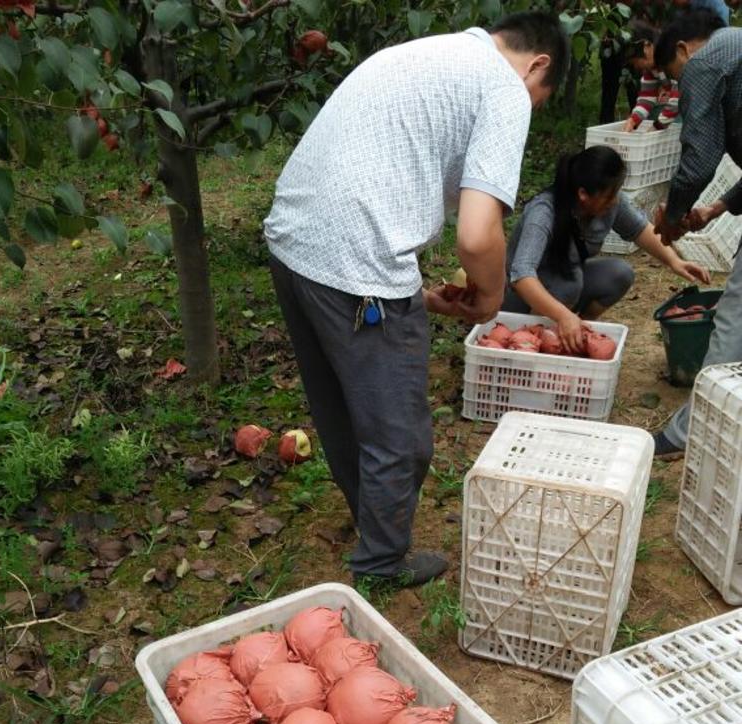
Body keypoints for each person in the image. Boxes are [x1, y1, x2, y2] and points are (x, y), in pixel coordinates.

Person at [264, 14, 570, 587]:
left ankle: (373, 523)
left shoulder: (430, 55)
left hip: (293, 242)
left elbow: (383, 169)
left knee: (340, 411)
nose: (528, 108)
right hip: (355, 263)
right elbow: (478, 235)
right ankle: (381, 563)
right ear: (538, 65)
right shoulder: (503, 86)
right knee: (399, 436)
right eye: (539, 100)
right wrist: (492, 294)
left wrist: (418, 296)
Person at [503, 146, 710, 352]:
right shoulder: (543, 213)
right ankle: (537, 340)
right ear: (583, 194)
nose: (614, 201)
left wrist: (674, 261)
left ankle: (578, 334)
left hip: (567, 283)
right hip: (517, 298)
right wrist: (563, 316)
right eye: (609, 195)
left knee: (619, 273)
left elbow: (640, 230)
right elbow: (522, 276)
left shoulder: (609, 204)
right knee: (569, 285)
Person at [652, 13, 742, 459]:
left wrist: (673, 215)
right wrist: (717, 208)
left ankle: (693, 431)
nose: (680, 88)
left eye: (674, 75)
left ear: (685, 49)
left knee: (734, 317)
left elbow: (700, 154)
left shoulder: (708, 61)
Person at [622, 23, 681, 131]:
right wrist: (633, 120)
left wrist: (656, 127)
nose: (636, 66)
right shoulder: (651, 68)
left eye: (636, 61)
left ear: (646, 45)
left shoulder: (671, 55)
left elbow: (678, 96)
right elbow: (646, 99)